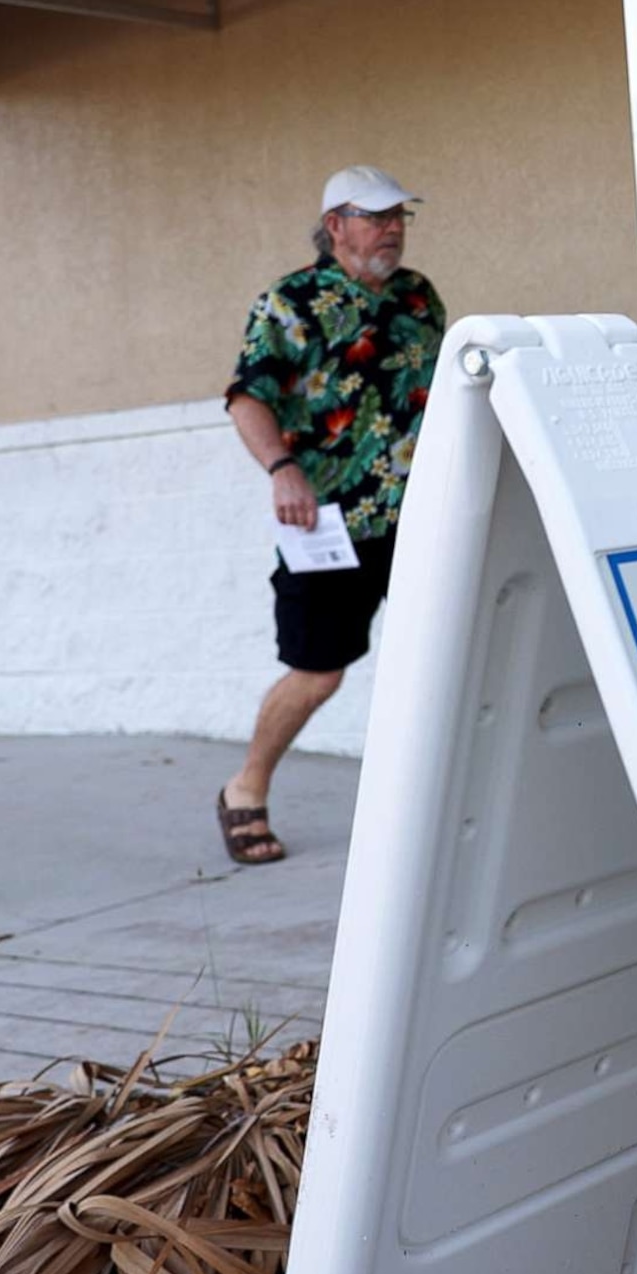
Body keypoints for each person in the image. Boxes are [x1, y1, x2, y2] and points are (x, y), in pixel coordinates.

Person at [215, 166, 448, 864]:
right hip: (330, 520)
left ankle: (431, 802)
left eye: (399, 215)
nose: (392, 227)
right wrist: (283, 470)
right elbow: (247, 396)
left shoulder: (419, 298)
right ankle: (245, 789)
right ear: (335, 226)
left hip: (423, 514)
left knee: (438, 656)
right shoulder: (290, 302)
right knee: (320, 671)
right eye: (375, 216)